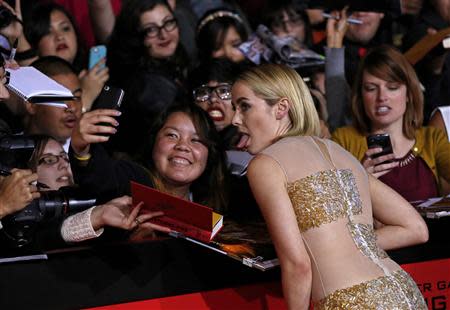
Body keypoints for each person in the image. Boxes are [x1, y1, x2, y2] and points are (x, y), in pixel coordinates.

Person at [231, 63, 428, 309]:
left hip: (350, 303)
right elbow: (415, 227)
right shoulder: (341, 153)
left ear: (281, 108)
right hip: (403, 291)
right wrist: (339, 243)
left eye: (244, 106)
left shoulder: (266, 164)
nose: (235, 119)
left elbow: (298, 265)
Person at [332, 45, 450, 201]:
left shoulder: (432, 138)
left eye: (392, 87)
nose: (382, 97)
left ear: (409, 94)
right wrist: (358, 182)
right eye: (371, 88)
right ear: (360, 96)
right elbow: (331, 206)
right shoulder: (343, 140)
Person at [70, 104, 228, 214]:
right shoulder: (131, 182)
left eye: (196, 140)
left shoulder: (217, 206)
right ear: (154, 142)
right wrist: (82, 150)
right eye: (172, 135)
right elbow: (102, 178)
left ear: (210, 153)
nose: (183, 146)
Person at [26, 135, 166, 242]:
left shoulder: (104, 205)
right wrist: (95, 218)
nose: (64, 164)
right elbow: (45, 235)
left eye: (66, 157)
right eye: (49, 160)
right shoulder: (24, 220)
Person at [106, 0, 190, 157]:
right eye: (151, 29)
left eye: (168, 23)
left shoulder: (172, 62)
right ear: (135, 37)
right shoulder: (148, 88)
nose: (164, 34)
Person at [23, 2, 108, 112]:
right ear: (35, 44)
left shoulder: (91, 77)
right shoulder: (36, 90)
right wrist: (85, 98)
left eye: (65, 28)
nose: (59, 37)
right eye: (47, 32)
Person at [23, 56, 82, 151]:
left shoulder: (89, 153)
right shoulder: (8, 153)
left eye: (77, 97)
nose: (73, 107)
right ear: (31, 104)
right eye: (60, 98)